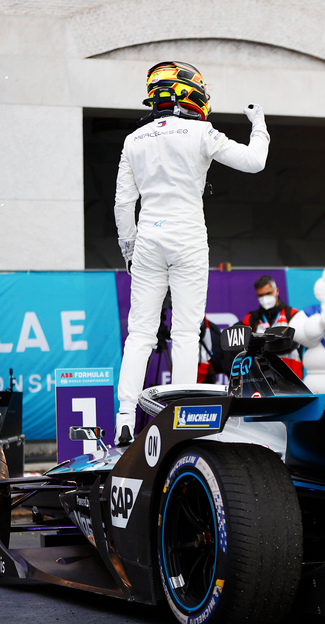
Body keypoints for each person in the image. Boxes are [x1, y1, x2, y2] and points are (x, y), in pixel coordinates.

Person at [113, 61, 269, 443]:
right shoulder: (202, 131)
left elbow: (122, 203)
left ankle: (123, 419)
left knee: (140, 335)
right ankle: (179, 423)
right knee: (185, 333)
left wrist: (129, 249)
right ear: (189, 94)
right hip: (187, 238)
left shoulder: (134, 140)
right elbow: (255, 162)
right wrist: (259, 123)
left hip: (148, 239)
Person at [242, 275, 302, 377]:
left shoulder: (292, 314)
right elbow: (244, 347)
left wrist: (261, 345)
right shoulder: (251, 318)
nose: (265, 298)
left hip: (291, 378)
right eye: (261, 295)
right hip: (262, 379)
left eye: (268, 293)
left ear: (277, 291)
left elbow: (293, 344)